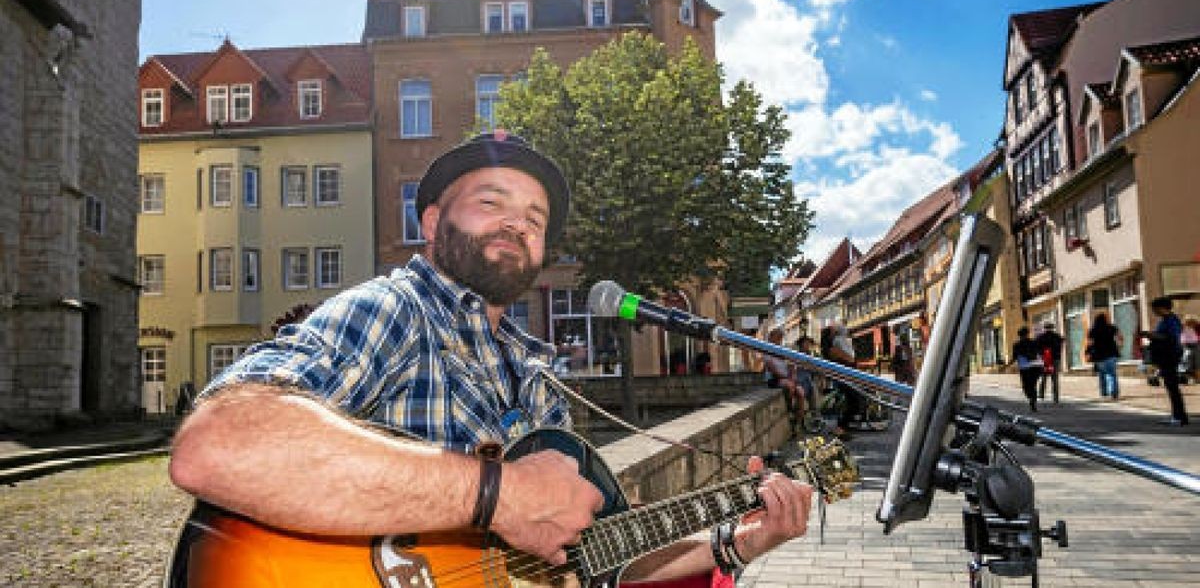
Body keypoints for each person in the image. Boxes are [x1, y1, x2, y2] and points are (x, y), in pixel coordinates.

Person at [167, 132, 813, 584]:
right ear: (430, 223)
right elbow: (215, 443)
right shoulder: (398, 310)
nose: (518, 225)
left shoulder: (539, 383)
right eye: (491, 202)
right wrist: (495, 494)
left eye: (535, 219)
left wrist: (736, 537)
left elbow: (591, 555)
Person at [1141, 297, 1189, 426]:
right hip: (1166, 356)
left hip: (1170, 356)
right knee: (1171, 387)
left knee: (1173, 387)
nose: (1154, 311)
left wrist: (1151, 335)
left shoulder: (1171, 320)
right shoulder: (1166, 320)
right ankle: (1177, 415)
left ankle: (1179, 417)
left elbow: (1171, 337)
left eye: (1155, 309)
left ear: (1162, 308)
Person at [762, 329, 805, 431]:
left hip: (787, 378)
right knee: (789, 386)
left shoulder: (783, 350)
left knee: (801, 392)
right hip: (775, 379)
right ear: (771, 338)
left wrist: (792, 375)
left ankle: (799, 420)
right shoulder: (767, 351)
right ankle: (790, 410)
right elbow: (772, 369)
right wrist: (788, 378)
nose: (779, 340)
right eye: (777, 338)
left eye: (780, 338)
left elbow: (791, 365)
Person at [1086, 312, 1122, 400]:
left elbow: (1090, 343)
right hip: (1112, 354)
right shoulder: (1112, 327)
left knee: (1102, 374)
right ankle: (1114, 393)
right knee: (1112, 374)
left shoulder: (1093, 330)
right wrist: (1120, 346)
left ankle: (1104, 393)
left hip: (1099, 356)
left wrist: (1087, 352)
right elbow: (1120, 337)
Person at [1012, 326, 1042, 412]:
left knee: (1027, 386)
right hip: (1035, 367)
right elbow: (1039, 354)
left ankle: (1032, 400)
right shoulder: (1033, 342)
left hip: (1025, 367)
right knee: (1032, 386)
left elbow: (1014, 357)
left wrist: (1006, 366)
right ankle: (1033, 401)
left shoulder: (1017, 345)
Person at [1035, 321, 1064, 404]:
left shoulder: (1040, 337)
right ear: (1053, 328)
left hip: (1044, 359)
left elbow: (1036, 348)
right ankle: (1056, 398)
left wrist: (1040, 354)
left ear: (1044, 328)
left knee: (1043, 377)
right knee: (1054, 378)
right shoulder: (1057, 336)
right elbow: (1061, 344)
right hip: (1055, 359)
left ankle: (1041, 394)